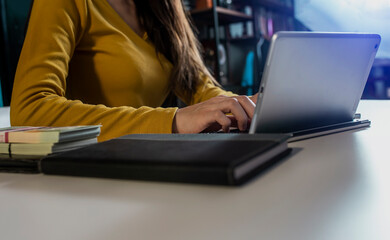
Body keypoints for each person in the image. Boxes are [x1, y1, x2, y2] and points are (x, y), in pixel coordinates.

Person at [10, 0, 258, 142]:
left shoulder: (162, 10)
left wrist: (247, 105)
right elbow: (29, 110)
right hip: (85, 175)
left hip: (147, 159)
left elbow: (201, 89)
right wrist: (172, 121)